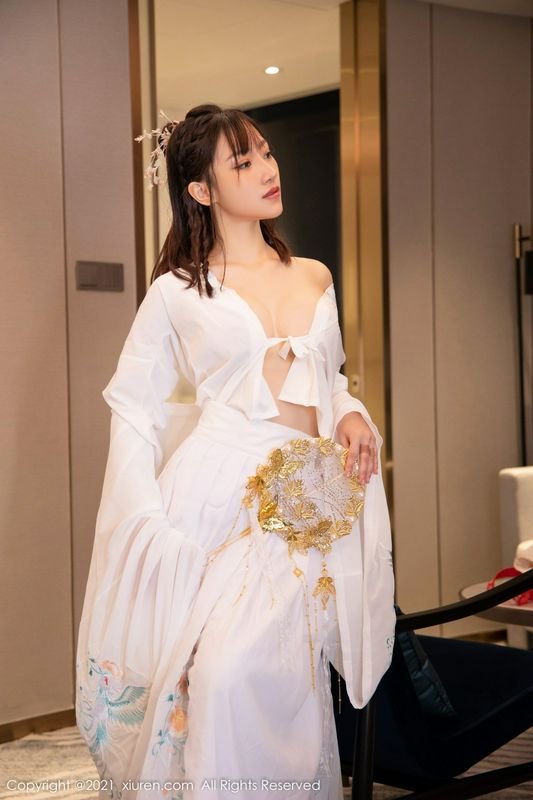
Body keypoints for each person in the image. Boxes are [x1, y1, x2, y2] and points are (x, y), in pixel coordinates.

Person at [75, 103, 396, 800]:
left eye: (266, 153)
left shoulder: (313, 274)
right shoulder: (176, 291)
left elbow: (329, 379)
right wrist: (140, 515)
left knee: (264, 671)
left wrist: (349, 413)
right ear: (201, 189)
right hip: (214, 496)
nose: (267, 170)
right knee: (210, 675)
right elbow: (132, 403)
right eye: (242, 162)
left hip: (304, 499)